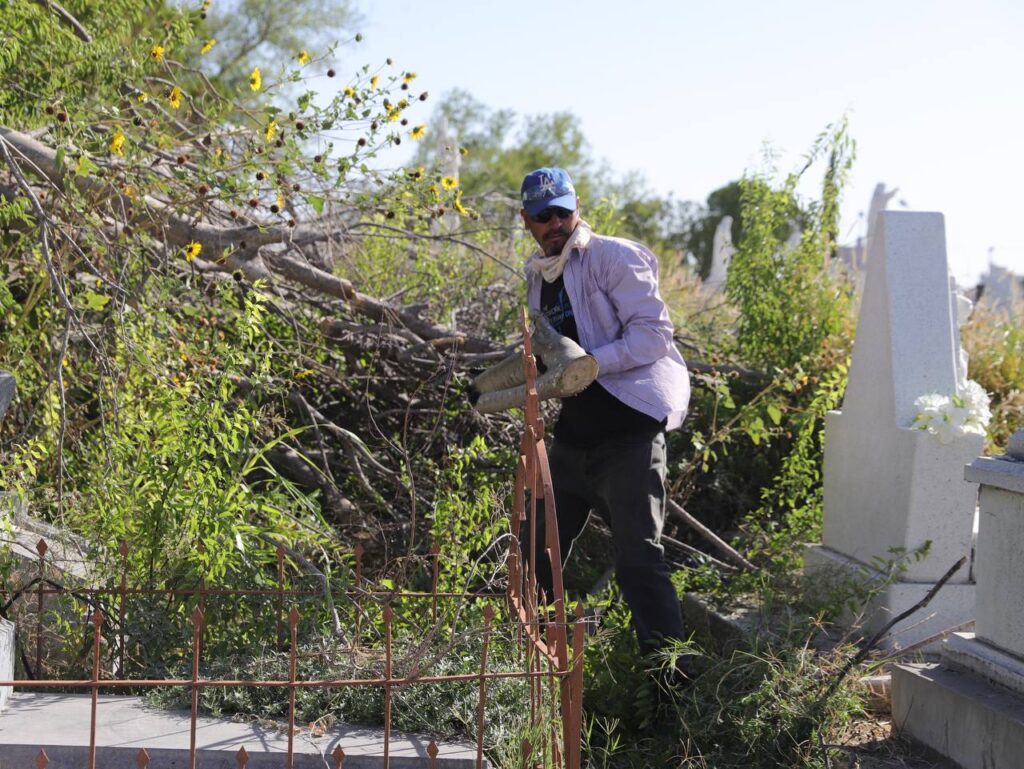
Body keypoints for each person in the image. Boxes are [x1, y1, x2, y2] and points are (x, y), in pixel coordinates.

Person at [518, 167, 692, 660]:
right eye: (542, 215)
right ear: (526, 220)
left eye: (563, 210)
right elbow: (554, 354)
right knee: (537, 551)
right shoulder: (538, 279)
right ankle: (542, 661)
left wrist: (592, 366)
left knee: (639, 560)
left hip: (630, 434)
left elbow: (654, 335)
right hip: (575, 437)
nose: (555, 222)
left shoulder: (615, 256)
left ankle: (668, 687)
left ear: (576, 207)